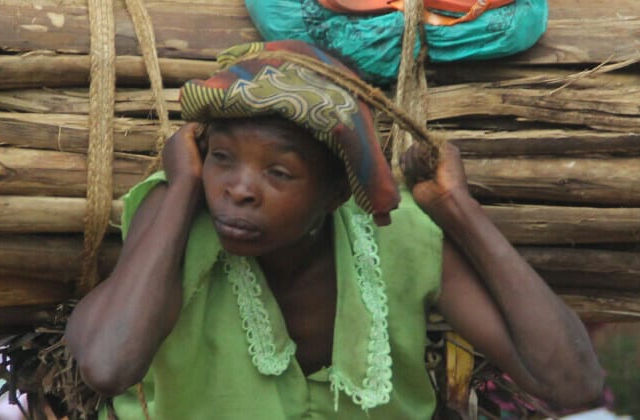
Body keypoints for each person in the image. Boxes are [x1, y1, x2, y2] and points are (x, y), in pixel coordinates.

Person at [65, 40, 603, 418]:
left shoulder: (401, 240)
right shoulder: (179, 218)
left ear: (337, 194)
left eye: (279, 172)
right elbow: (109, 364)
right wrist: (183, 186)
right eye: (223, 158)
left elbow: (573, 384)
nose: (240, 189)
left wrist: (459, 210)